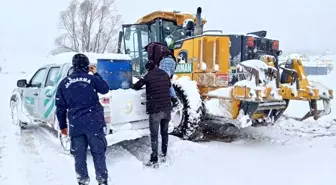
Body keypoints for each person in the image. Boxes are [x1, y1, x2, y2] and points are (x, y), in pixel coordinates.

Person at [55, 53, 110, 185]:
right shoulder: (91, 79)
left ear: (73, 66)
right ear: (87, 65)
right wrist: (96, 74)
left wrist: (63, 126)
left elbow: (60, 107)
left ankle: (82, 181)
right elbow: (105, 89)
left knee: (79, 157)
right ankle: (102, 181)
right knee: (98, 154)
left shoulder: (64, 83)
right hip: (94, 124)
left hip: (76, 126)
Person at [132, 60, 172, 168]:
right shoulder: (164, 74)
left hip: (155, 110)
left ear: (147, 69)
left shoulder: (148, 76)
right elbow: (169, 85)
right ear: (155, 65)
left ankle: (154, 159)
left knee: (154, 135)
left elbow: (136, 86)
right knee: (165, 132)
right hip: (167, 109)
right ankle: (164, 154)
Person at [144, 42, 179, 107]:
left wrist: (150, 71)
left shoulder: (150, 46)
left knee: (164, 81)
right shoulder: (162, 47)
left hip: (165, 61)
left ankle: (173, 99)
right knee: (167, 81)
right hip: (173, 61)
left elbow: (151, 60)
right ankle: (169, 98)